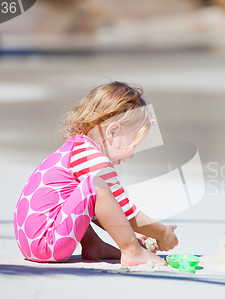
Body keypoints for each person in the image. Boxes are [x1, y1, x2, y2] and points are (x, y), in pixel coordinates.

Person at [13, 81, 178, 266]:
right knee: (97, 185)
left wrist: (133, 232)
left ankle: (95, 246)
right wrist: (161, 232)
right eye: (133, 146)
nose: (131, 154)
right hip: (47, 244)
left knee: (82, 193)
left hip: (31, 241)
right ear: (113, 131)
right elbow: (125, 211)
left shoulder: (77, 148)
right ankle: (133, 253)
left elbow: (101, 210)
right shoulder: (95, 161)